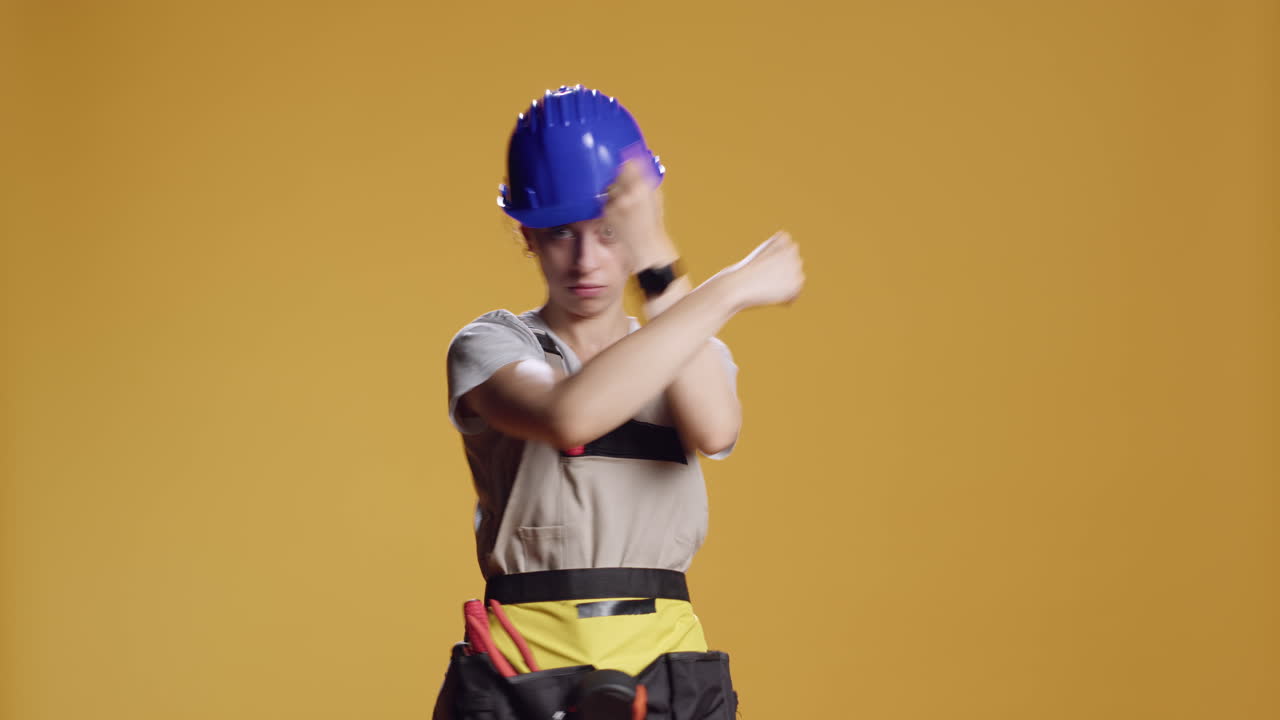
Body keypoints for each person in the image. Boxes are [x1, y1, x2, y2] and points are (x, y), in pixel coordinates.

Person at [433, 85, 804, 720]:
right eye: (559, 233)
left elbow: (716, 428)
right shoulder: (493, 344)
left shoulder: (683, 346)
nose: (586, 259)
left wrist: (658, 254)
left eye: (608, 232)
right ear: (526, 233)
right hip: (527, 669)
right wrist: (731, 287)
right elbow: (569, 415)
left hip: (668, 667)